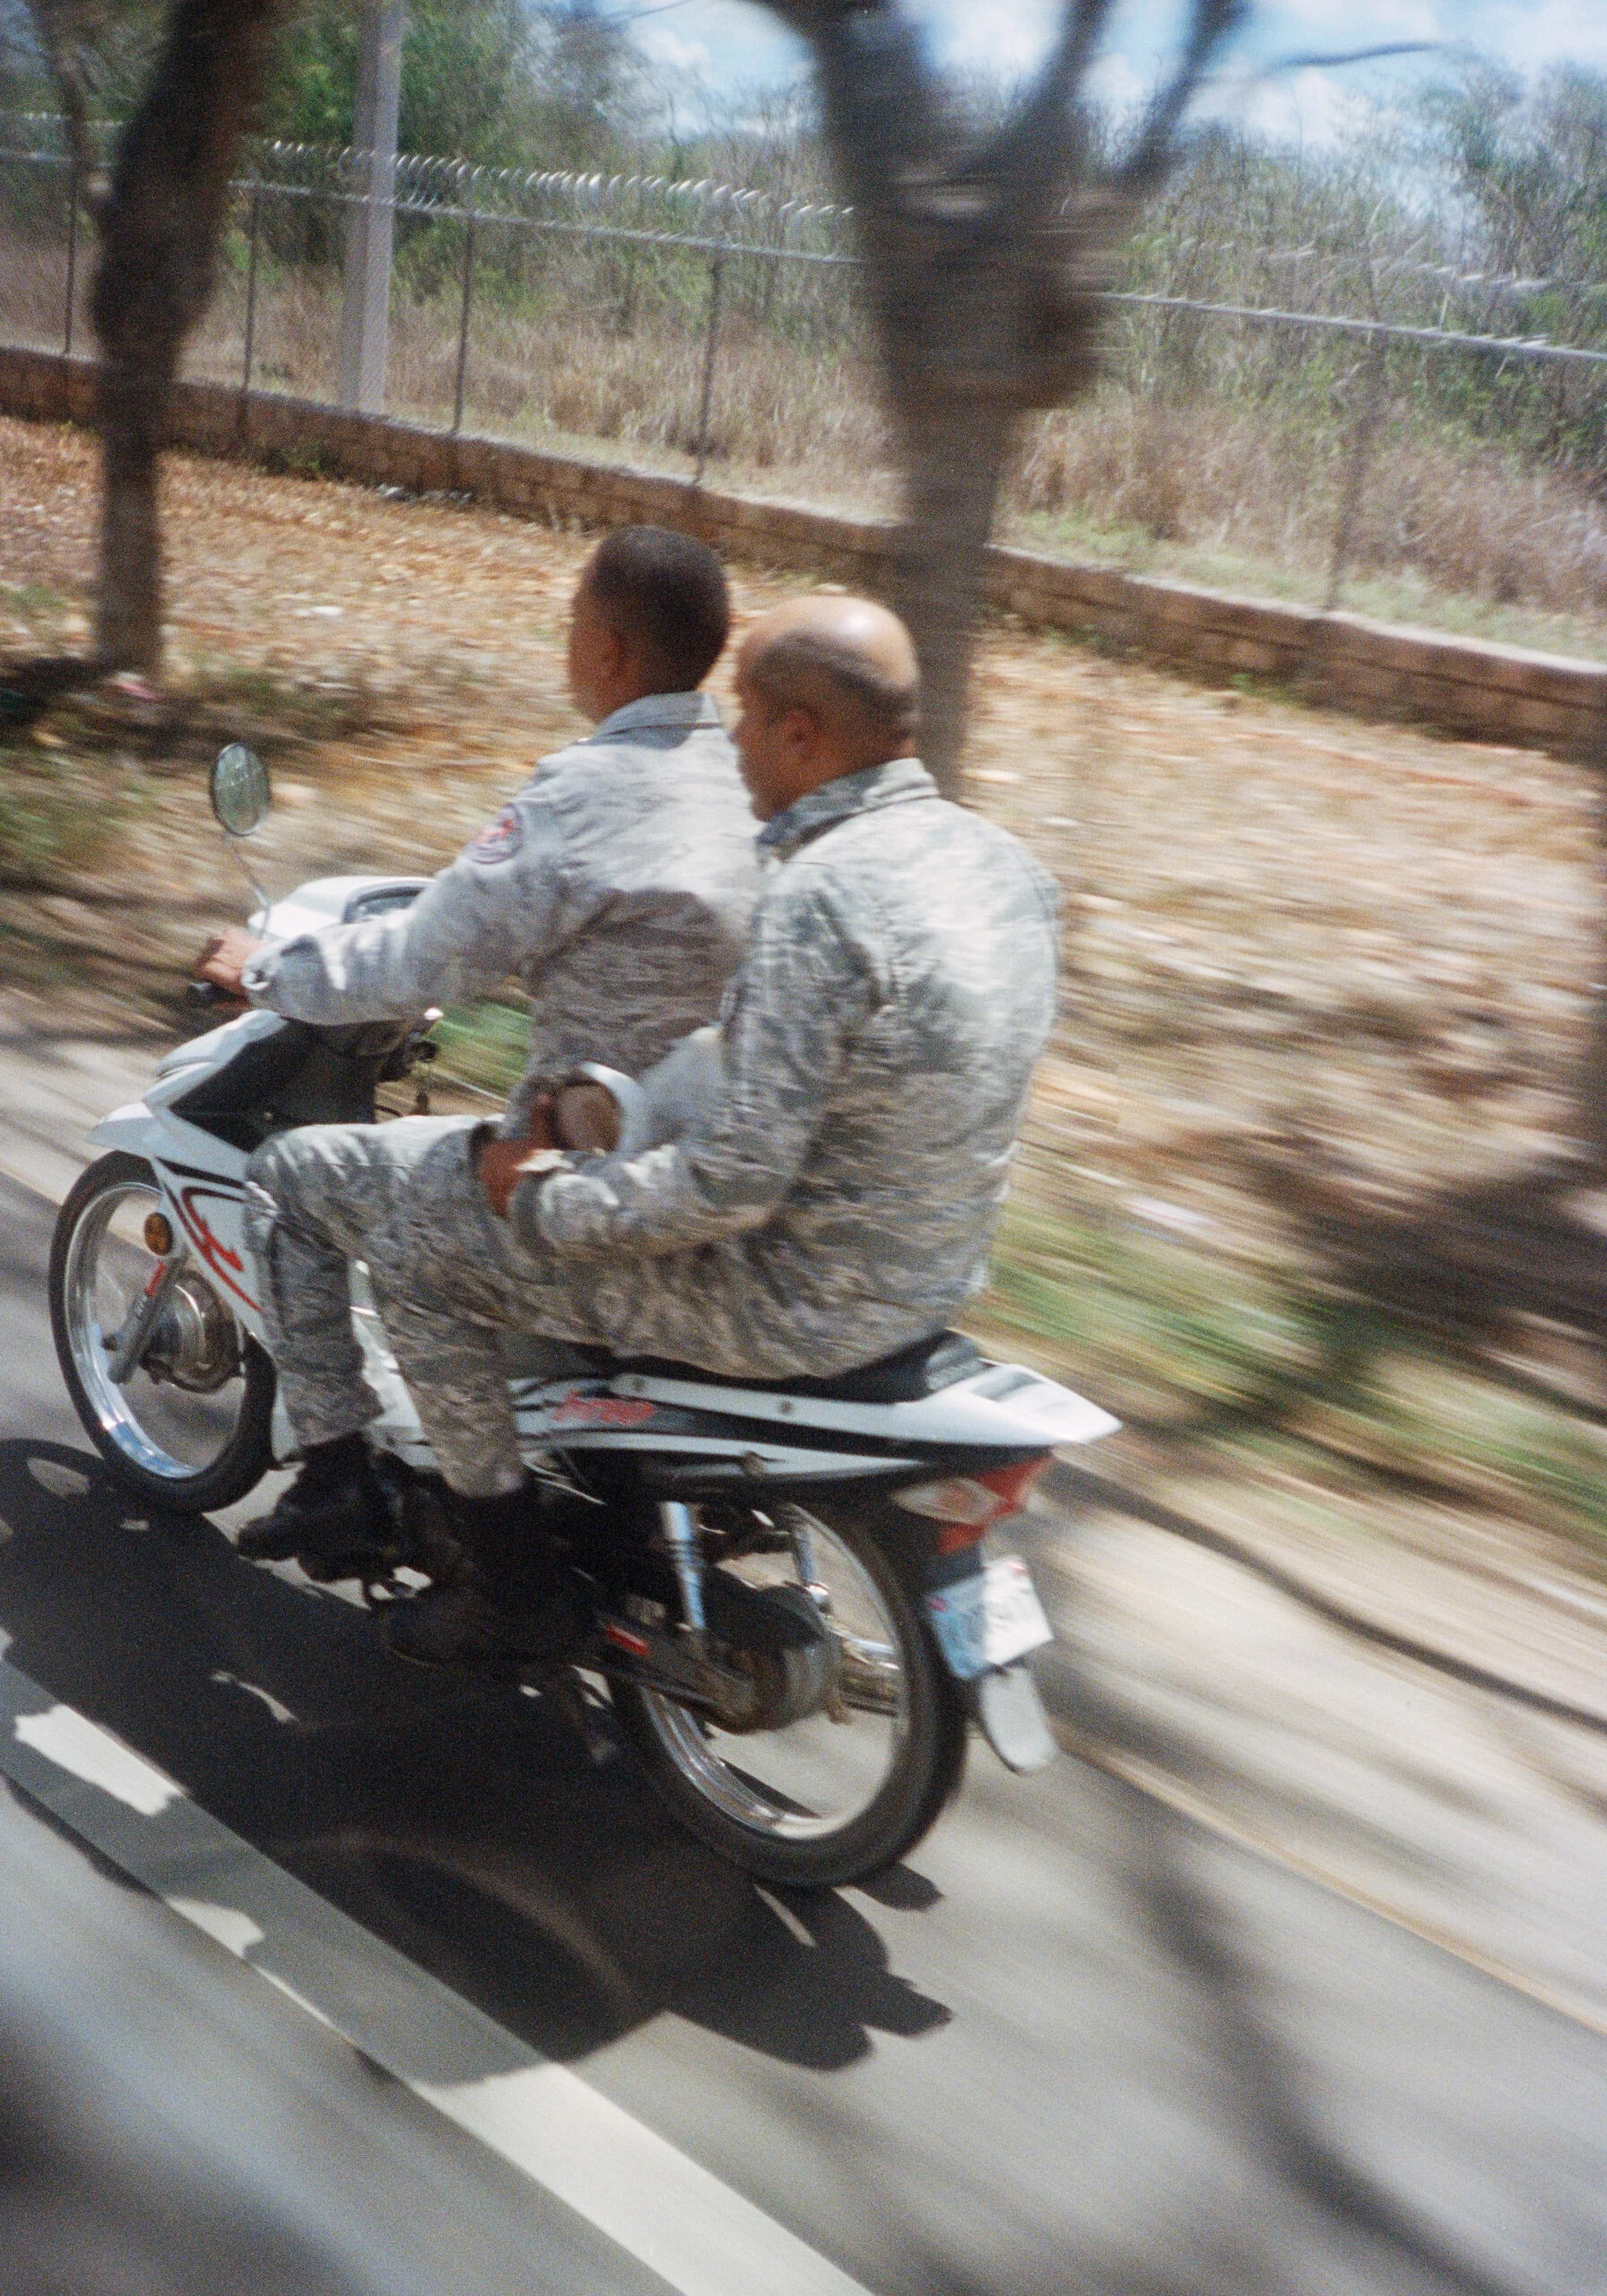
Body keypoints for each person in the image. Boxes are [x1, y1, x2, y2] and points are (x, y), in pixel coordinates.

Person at [242, 591, 1061, 1665]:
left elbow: (733, 1185)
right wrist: (624, 1109)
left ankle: (512, 1588)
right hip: (923, 1286)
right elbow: (802, 1072)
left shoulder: (824, 891)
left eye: (744, 720)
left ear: (800, 735)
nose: (730, 746)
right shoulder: (999, 866)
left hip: (782, 1303)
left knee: (424, 1247)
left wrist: (541, 1195)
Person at [207, 525, 759, 1573]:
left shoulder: (582, 794)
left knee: (291, 1179)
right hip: (714, 1168)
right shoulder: (755, 779)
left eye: (570, 625)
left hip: (574, 1179)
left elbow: (423, 959)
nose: (565, 645)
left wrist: (268, 967)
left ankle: (365, 1495)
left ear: (605, 651)